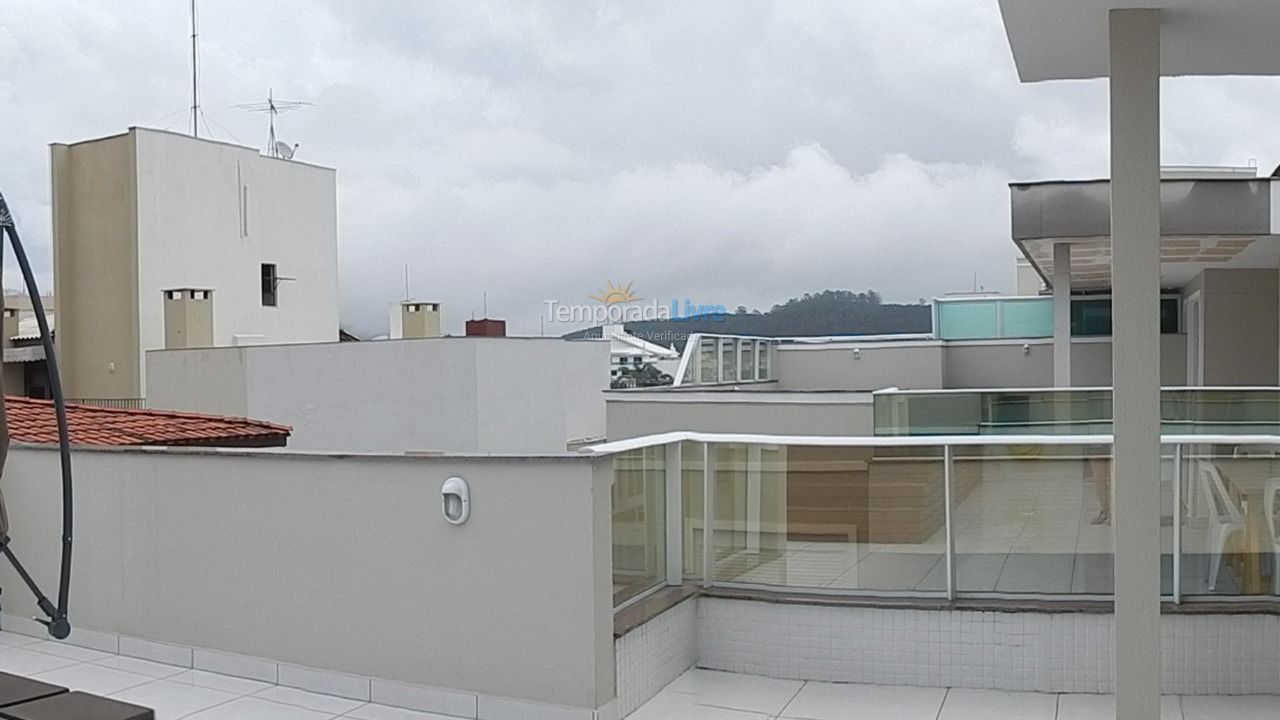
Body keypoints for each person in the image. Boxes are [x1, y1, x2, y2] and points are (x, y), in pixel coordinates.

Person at [1084, 444, 1111, 524]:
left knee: (1103, 478)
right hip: (1095, 444)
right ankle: (1105, 511)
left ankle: (1108, 512)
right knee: (1099, 478)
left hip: (1098, 442)